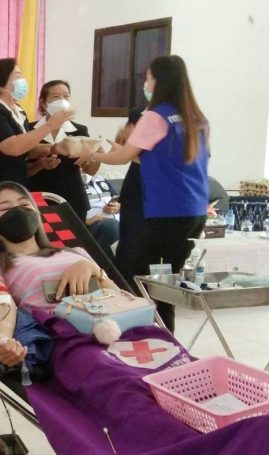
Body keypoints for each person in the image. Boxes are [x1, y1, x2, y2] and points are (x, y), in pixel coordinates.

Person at [83, 55, 209, 332]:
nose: (146, 83)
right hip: (194, 211)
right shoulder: (196, 119)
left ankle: (138, 337)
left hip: (163, 212)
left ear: (160, 80)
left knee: (134, 277)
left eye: (149, 78)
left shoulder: (155, 116)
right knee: (165, 283)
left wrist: (92, 153)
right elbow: (172, 160)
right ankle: (166, 336)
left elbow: (124, 157)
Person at [0, 182, 119, 367]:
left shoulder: (76, 252)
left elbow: (121, 298)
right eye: (5, 208)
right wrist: (2, 338)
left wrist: (94, 270)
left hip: (115, 326)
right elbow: (0, 300)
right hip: (67, 339)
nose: (18, 211)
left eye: (25, 205)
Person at [0, 59, 75, 197]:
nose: (23, 81)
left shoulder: (18, 111)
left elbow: (26, 148)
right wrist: (50, 125)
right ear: (1, 86)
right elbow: (13, 147)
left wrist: (54, 148)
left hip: (12, 189)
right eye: (17, 77)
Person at [26, 80, 98, 221]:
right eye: (55, 97)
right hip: (36, 198)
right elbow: (20, 168)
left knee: (74, 234)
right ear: (43, 103)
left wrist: (96, 155)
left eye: (66, 96)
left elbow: (90, 170)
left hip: (73, 199)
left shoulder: (79, 130)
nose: (62, 101)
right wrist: (40, 164)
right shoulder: (29, 129)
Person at [113, 108, 145, 284]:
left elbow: (124, 156)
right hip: (133, 195)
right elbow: (122, 146)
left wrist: (94, 155)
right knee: (127, 249)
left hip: (149, 199)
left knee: (136, 252)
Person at [83, 173, 120, 261]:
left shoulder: (101, 179)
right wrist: (85, 221)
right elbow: (62, 211)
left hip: (118, 222)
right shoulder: (70, 182)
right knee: (111, 226)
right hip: (91, 228)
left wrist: (118, 206)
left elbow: (118, 199)